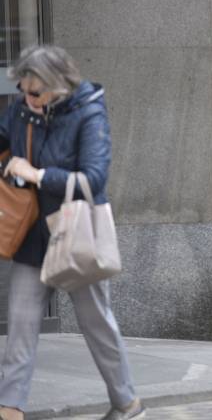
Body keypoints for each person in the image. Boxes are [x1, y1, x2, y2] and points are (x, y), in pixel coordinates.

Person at [0, 46, 144, 420]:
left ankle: (127, 403)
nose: (27, 99)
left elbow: (94, 178)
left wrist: (39, 176)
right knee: (20, 326)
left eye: (34, 92)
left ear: (56, 86)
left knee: (97, 325)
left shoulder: (88, 112)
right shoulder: (20, 109)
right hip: (32, 236)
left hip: (75, 233)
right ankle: (10, 409)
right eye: (22, 89)